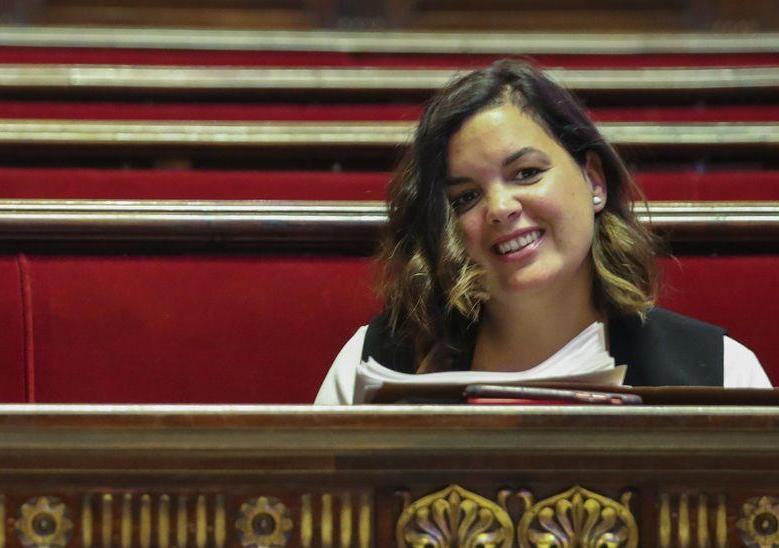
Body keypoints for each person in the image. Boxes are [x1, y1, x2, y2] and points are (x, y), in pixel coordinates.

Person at [315, 59, 771, 404]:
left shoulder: (722, 371)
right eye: (465, 197)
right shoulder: (368, 363)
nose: (499, 208)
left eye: (527, 173)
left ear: (593, 180)